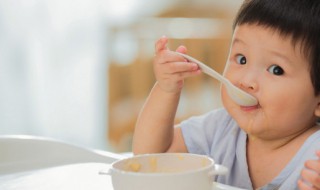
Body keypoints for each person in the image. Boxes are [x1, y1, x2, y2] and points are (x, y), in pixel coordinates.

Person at [132, 0, 320, 189]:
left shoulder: (316, 156)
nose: (246, 81)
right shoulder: (221, 128)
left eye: (276, 70)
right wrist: (166, 90)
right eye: (242, 59)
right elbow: (152, 155)